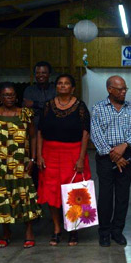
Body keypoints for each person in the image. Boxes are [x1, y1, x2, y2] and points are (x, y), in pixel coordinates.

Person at [37, 74, 91, 246]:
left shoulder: (80, 106)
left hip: (73, 152)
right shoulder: (47, 106)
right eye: (59, 83)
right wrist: (38, 155)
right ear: (56, 87)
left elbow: (85, 133)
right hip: (50, 153)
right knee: (51, 191)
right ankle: (56, 228)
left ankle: (73, 228)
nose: (63, 86)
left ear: (73, 88)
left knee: (73, 192)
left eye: (67, 83)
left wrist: (81, 157)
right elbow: (39, 132)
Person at [91, 75, 131, 247]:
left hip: (126, 156)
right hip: (105, 159)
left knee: (122, 196)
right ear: (109, 90)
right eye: (120, 89)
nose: (124, 92)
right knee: (105, 196)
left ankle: (117, 231)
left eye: (125, 88)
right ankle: (104, 232)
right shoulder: (98, 108)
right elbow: (96, 134)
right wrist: (113, 154)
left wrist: (124, 147)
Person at [0, 83, 42, 248]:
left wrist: (33, 159)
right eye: (6, 95)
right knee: (3, 195)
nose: (9, 98)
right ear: (0, 97)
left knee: (24, 195)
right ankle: (6, 231)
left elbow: (33, 137)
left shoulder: (25, 113)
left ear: (16, 96)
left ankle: (28, 230)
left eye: (12, 95)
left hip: (21, 162)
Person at [23, 61, 56, 189]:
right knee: (34, 166)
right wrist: (44, 106)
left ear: (49, 74)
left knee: (49, 168)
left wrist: (35, 104)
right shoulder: (29, 90)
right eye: (37, 73)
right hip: (32, 135)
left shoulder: (55, 90)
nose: (40, 75)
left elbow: (55, 108)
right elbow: (27, 110)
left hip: (51, 135)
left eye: (44, 72)